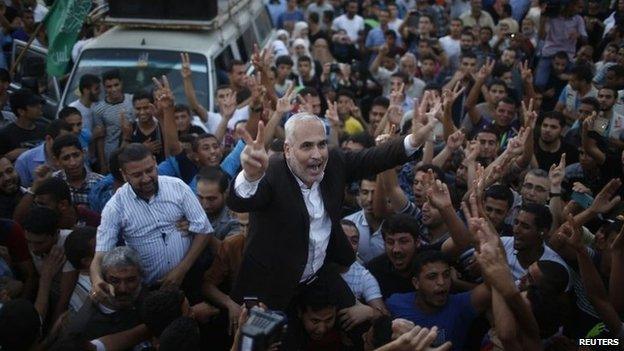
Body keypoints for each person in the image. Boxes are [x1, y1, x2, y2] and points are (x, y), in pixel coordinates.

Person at [227, 106, 434, 310]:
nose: (317, 154)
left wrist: (413, 141)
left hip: (320, 273)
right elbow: (239, 202)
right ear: (288, 150)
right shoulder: (272, 172)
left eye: (321, 144)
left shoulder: (334, 161)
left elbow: (373, 158)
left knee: (365, 324)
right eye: (307, 146)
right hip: (271, 285)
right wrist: (250, 176)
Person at [91, 143, 213, 299]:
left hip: (190, 276)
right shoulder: (115, 207)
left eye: (149, 170)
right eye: (137, 175)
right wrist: (96, 280)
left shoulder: (177, 187)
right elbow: (101, 253)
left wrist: (181, 270)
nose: (146, 179)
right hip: (151, 289)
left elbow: (204, 229)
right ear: (124, 174)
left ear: (155, 162)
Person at [386, 250, 491, 350]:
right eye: (432, 277)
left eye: (446, 275)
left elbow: (494, 287)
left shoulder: (460, 305)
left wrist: (458, 282)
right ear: (416, 283)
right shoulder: (395, 304)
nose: (441, 282)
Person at [367, 214, 422, 299]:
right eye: (390, 242)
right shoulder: (372, 271)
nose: (396, 249)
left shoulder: (432, 263)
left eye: (403, 242)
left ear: (417, 242)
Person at [93, 69, 135, 173]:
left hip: (133, 150)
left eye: (116, 85)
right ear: (104, 88)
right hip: (112, 154)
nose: (114, 89)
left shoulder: (132, 100)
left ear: (121, 84)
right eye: (109, 86)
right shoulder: (99, 110)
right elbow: (100, 138)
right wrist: (103, 164)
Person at [51, 134, 104, 209]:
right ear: (57, 161)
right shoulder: (53, 182)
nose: (73, 163)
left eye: (76, 155)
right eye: (66, 158)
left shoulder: (100, 183)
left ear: (83, 153)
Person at [15, 119, 72, 187]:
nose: (66, 144)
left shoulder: (73, 155)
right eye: (62, 140)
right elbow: (22, 192)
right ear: (48, 139)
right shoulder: (24, 160)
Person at [343, 177, 385, 263]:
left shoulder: (394, 225)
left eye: (375, 193)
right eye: (365, 193)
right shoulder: (348, 224)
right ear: (359, 194)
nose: (370, 199)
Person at [0, 89, 46, 161]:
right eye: (33, 105)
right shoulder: (5, 135)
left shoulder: (44, 129)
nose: (39, 106)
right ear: (21, 111)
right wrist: (9, 157)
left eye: (39, 103)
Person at [195, 167, 240, 240]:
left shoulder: (235, 220)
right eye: (200, 197)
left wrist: (198, 231)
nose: (205, 204)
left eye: (211, 199)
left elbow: (227, 250)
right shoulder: (189, 209)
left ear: (226, 193)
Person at [69, 74, 101, 138]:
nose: (99, 91)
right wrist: (93, 135)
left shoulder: (98, 106)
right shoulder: (73, 109)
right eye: (96, 89)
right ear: (86, 90)